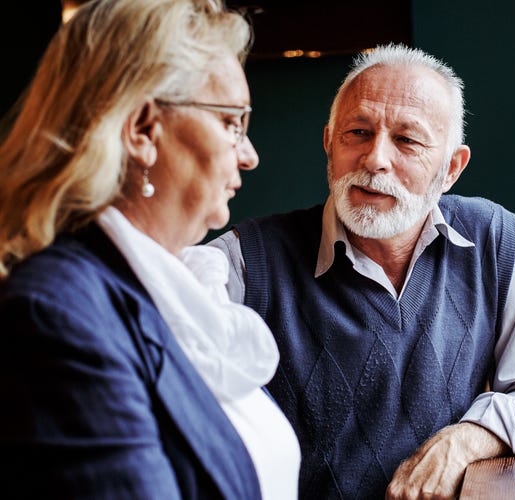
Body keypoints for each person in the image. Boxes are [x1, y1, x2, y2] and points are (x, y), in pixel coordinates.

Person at [211, 43, 515, 499]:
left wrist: (468, 438)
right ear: (328, 144)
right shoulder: (242, 262)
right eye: (357, 132)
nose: (375, 158)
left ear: (451, 168)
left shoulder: (494, 242)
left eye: (407, 140)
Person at [0, 0, 300, 498]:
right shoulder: (57, 315)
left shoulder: (173, 289)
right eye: (233, 122)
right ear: (142, 130)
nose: (250, 156)